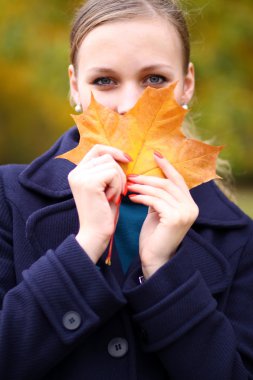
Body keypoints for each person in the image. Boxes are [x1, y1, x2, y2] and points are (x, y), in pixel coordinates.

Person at [0, 0, 253, 379]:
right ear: (74, 86)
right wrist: (85, 246)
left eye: (155, 80)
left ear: (187, 85)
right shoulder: (8, 198)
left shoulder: (239, 235)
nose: (131, 105)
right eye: (105, 81)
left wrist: (163, 272)